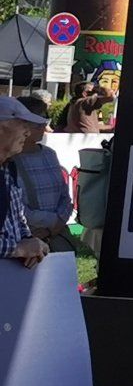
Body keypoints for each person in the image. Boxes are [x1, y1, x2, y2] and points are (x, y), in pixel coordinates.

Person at [11, 98, 74, 251]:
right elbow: (13, 206)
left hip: (55, 235)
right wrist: (51, 222)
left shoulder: (49, 154)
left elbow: (65, 196)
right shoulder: (7, 159)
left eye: (44, 120)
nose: (43, 126)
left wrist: (54, 227)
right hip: (22, 239)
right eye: (37, 122)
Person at [0, 98, 51, 268]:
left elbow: (16, 219)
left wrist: (31, 243)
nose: (27, 133)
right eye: (23, 125)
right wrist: (17, 249)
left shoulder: (9, 167)